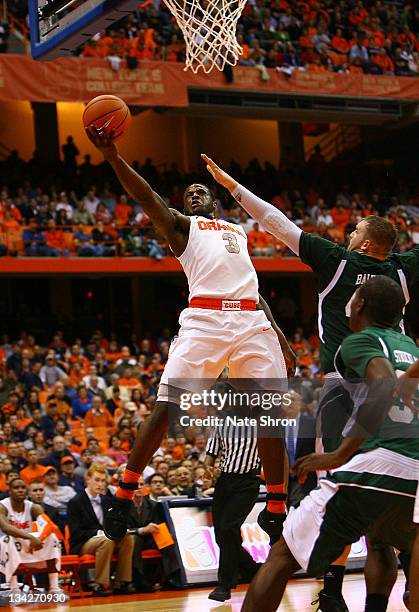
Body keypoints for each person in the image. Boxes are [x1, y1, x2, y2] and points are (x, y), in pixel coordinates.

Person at [202, 153, 419, 610]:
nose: (351, 230)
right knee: (385, 532)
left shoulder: (337, 261)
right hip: (408, 396)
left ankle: (329, 583)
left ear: (361, 240)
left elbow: (275, 221)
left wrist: (232, 187)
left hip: (344, 390)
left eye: (355, 228)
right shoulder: (402, 269)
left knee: (329, 492)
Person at [86, 127, 296, 545]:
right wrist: (111, 155)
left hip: (253, 321)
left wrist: (281, 336)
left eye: (200, 192)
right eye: (188, 195)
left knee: (271, 416)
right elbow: (147, 197)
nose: (194, 196)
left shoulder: (238, 232)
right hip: (205, 321)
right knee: (166, 408)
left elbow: (251, 286)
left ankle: (275, 507)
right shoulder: (183, 228)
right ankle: (124, 495)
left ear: (215, 201)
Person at [242, 276, 419, 612]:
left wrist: (339, 454)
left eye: (353, 297)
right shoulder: (411, 348)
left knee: (281, 556)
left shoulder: (359, 340)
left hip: (378, 461)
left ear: (361, 305)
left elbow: (382, 385)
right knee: (384, 540)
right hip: (416, 469)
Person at [204, 390, 262, 602]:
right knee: (221, 533)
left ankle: (224, 585)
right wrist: (207, 474)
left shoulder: (261, 424)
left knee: (228, 527)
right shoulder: (222, 422)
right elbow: (211, 453)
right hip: (225, 482)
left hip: (248, 482)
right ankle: (252, 569)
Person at [67, 465, 135, 596]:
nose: (100, 484)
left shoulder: (107, 501)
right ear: (87, 480)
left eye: (103, 481)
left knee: (127, 537)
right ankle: (100, 583)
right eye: (97, 480)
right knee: (106, 540)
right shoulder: (75, 502)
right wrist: (98, 533)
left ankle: (122, 582)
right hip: (83, 543)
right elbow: (75, 533)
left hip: (104, 539)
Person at [0, 478, 63, 599]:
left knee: (52, 538)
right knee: (9, 540)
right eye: (16, 488)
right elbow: (5, 528)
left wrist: (40, 538)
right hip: (4, 543)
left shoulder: (34, 507)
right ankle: (15, 590)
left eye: (23, 488)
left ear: (27, 491)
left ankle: (54, 588)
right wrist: (31, 538)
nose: (20, 490)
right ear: (10, 491)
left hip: (26, 544)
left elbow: (49, 525)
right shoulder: (3, 506)